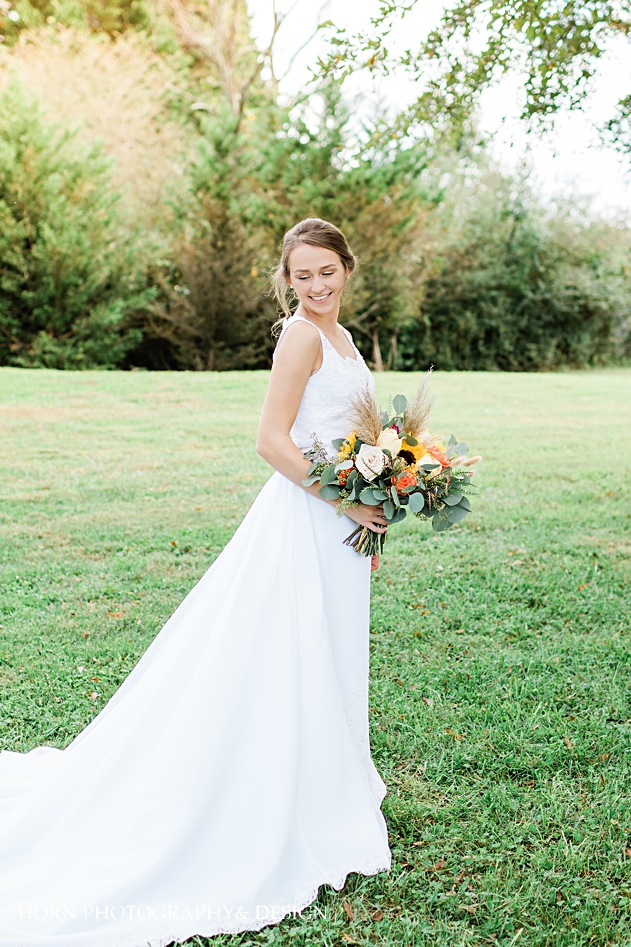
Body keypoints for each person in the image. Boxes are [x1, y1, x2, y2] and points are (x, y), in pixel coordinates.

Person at [0, 218, 392, 947]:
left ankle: (323, 781)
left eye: (326, 272)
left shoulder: (343, 337)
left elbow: (355, 431)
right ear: (287, 278)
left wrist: (380, 500)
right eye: (301, 275)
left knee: (327, 652)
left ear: (347, 266)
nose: (315, 286)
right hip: (301, 521)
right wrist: (345, 500)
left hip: (337, 524)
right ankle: (277, 795)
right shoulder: (300, 336)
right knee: (283, 653)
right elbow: (270, 440)